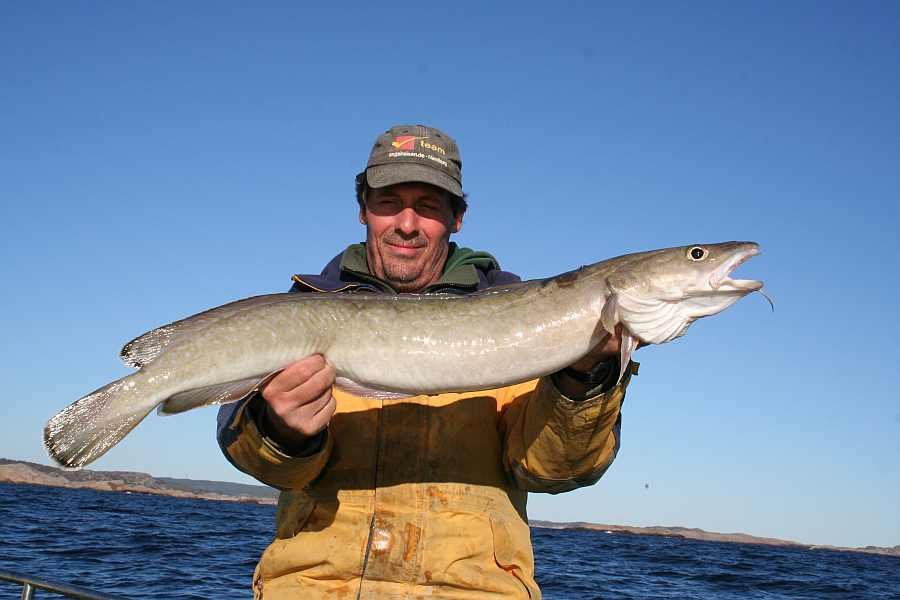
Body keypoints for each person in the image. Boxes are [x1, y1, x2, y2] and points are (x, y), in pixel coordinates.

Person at [217, 124, 638, 599]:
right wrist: (282, 432)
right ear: (363, 211)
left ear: (457, 218)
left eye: (429, 207)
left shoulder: (524, 318)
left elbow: (550, 472)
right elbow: (258, 460)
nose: (407, 224)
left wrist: (586, 377)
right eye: (388, 203)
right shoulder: (302, 309)